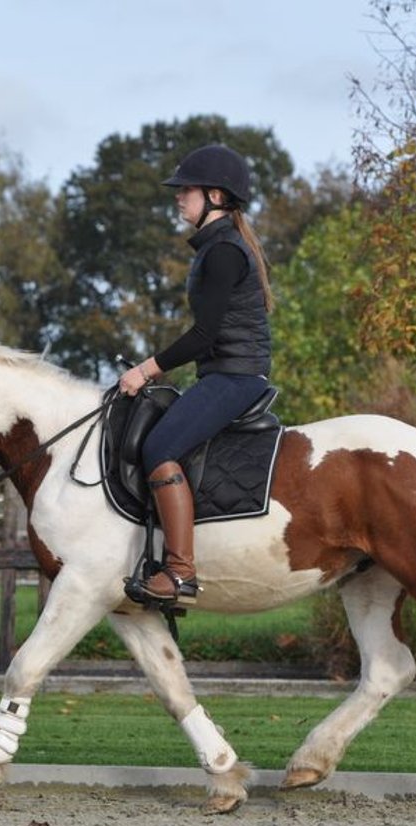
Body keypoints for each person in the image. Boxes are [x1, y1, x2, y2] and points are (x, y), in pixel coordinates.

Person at [118, 144, 274, 607]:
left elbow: (204, 336)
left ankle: (180, 572)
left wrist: (145, 370)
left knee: (158, 447)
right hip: (224, 374)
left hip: (235, 376)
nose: (178, 197)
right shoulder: (217, 247)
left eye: (186, 190)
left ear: (216, 197)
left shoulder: (224, 251)